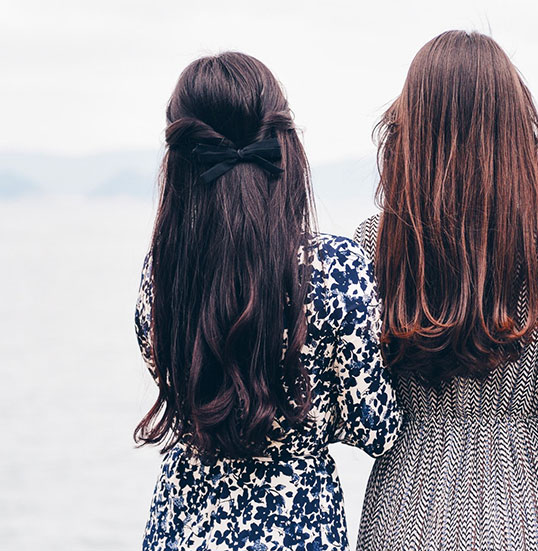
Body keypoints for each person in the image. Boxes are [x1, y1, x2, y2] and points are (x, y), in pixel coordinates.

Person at [352, 31, 538, 551]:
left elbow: (358, 397)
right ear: (514, 132)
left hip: (404, 501)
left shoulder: (375, 242)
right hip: (527, 502)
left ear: (410, 132)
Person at [133, 52, 401, 551]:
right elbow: (377, 426)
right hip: (299, 519)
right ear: (284, 149)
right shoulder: (336, 267)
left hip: (181, 520)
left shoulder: (161, 274)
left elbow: (181, 386)